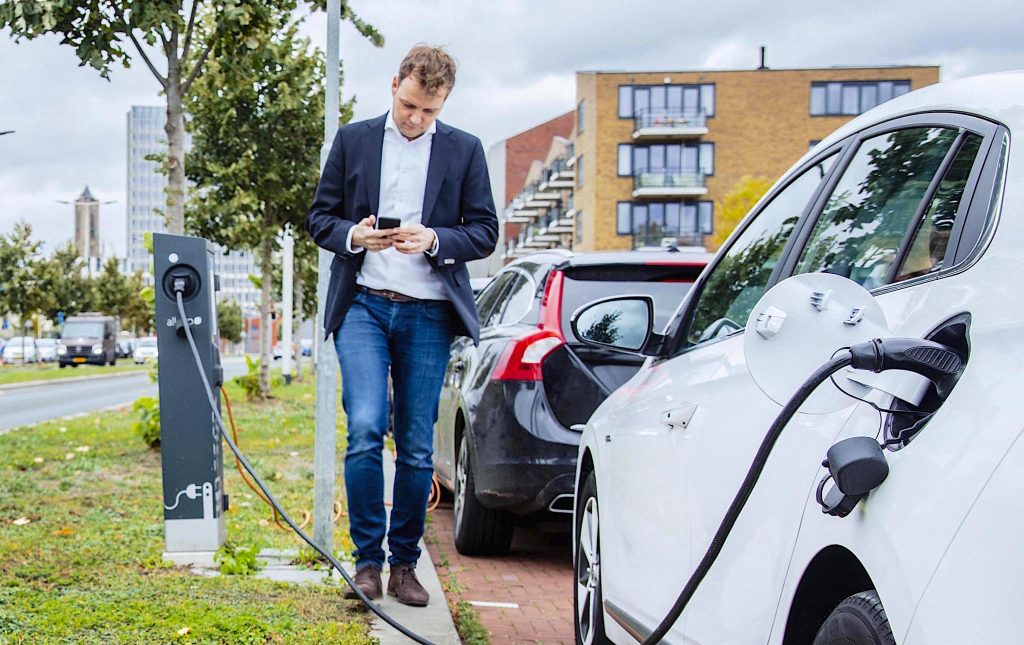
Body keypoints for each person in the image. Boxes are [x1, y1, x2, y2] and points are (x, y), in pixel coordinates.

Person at [306, 44, 498, 607]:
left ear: (444, 105)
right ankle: (365, 563)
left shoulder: (465, 151)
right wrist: (355, 235)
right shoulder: (354, 140)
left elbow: (484, 231)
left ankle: (404, 565)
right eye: (410, 104)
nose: (416, 119)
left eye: (429, 111)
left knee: (415, 448)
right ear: (395, 85)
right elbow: (321, 217)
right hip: (364, 303)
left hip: (429, 313)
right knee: (365, 426)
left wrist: (436, 239)